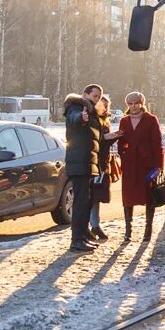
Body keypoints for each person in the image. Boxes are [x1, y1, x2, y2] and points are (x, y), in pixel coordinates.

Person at [118, 91, 165, 243]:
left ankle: (148, 230)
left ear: (141, 103)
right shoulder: (124, 121)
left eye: (136, 103)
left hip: (147, 163)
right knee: (128, 196)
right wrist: (123, 153)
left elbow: (157, 144)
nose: (133, 106)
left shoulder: (150, 119)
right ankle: (128, 230)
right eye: (130, 104)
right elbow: (121, 141)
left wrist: (158, 166)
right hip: (130, 164)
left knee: (148, 196)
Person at [64, 84, 104, 253]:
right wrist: (81, 117)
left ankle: (83, 235)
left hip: (87, 162)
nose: (96, 99)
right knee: (80, 202)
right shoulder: (77, 107)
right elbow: (74, 118)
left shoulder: (91, 111)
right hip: (79, 163)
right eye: (94, 96)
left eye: (98, 97)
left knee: (86, 201)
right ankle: (77, 240)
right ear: (85, 94)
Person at [89, 95, 122, 240]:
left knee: (97, 196)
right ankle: (92, 226)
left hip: (103, 163)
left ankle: (95, 225)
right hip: (93, 163)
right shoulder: (92, 120)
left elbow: (104, 144)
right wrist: (110, 137)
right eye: (103, 105)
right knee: (91, 196)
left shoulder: (105, 121)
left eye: (107, 106)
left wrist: (113, 137)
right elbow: (96, 142)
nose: (106, 109)